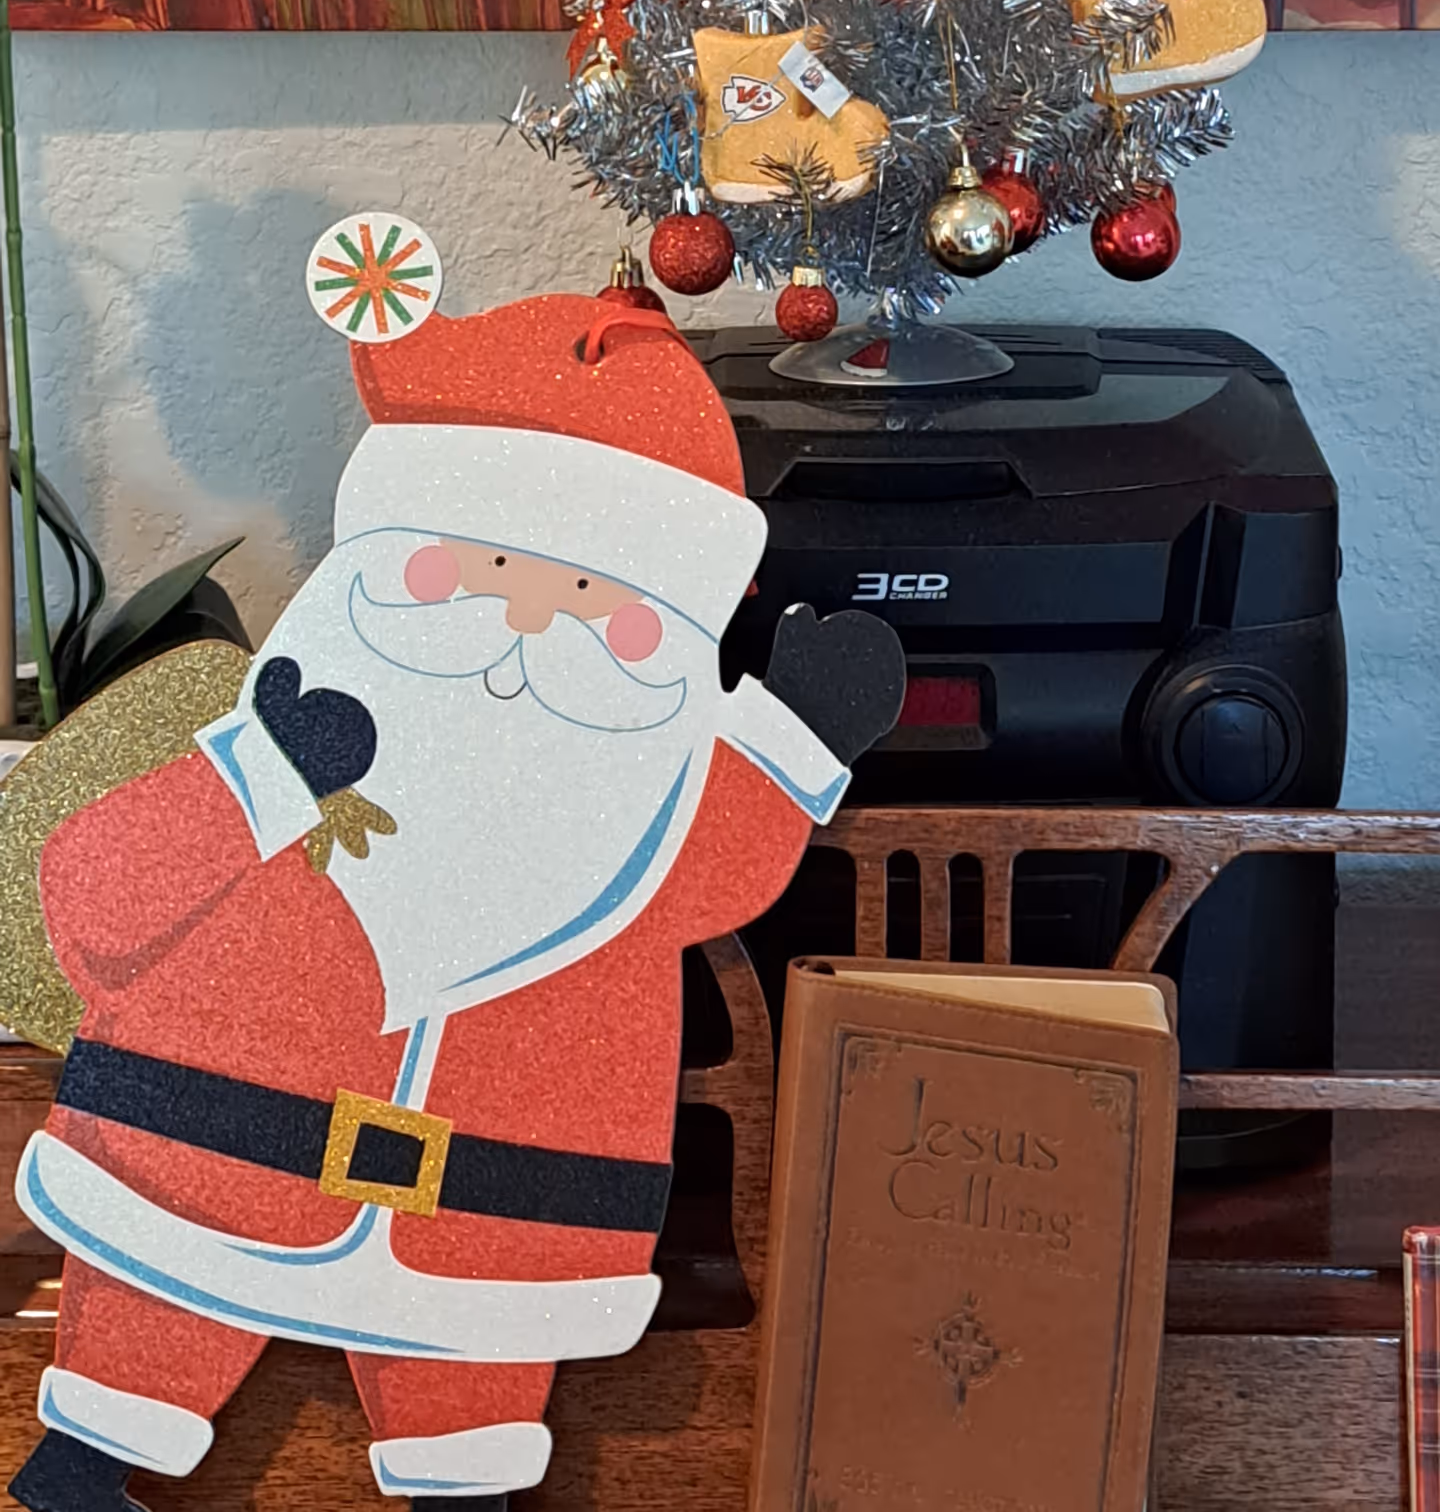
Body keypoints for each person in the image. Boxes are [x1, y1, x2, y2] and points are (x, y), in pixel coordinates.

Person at [8, 285, 902, 1510]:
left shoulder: (635, 805)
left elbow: (701, 869)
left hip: (500, 1202)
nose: (533, 612)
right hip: (206, 1162)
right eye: (484, 563)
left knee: (473, 1370)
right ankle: (88, 1458)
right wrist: (259, 783)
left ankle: (462, 1481)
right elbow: (95, 902)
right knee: (159, 1298)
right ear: (385, 557)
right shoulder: (263, 751)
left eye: (598, 598)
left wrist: (791, 746)